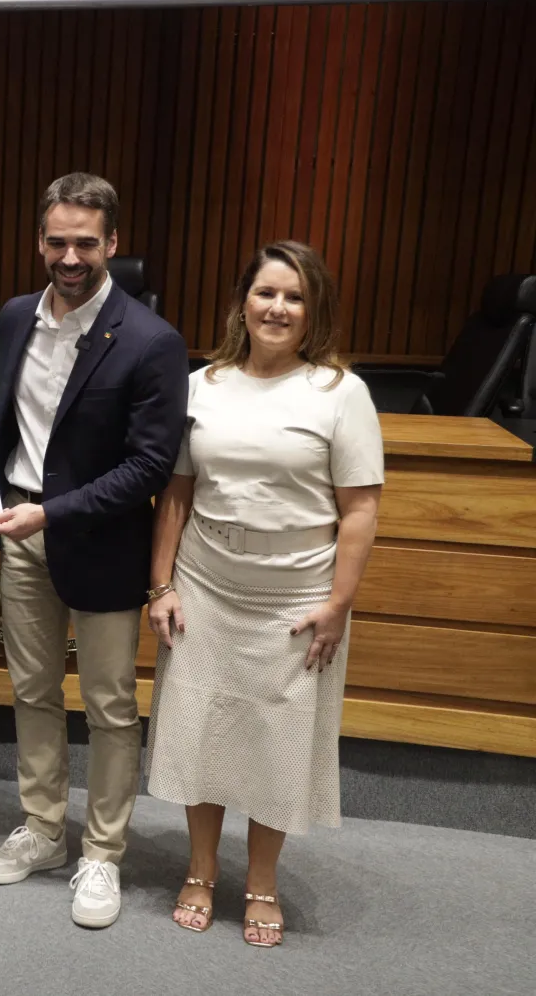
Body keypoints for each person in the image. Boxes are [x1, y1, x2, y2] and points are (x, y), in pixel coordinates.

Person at [146, 241, 383, 947]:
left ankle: (261, 882)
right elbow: (177, 491)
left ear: (315, 313)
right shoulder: (204, 384)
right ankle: (198, 870)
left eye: (295, 297)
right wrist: (161, 583)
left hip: (296, 599)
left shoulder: (341, 394)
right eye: (266, 293)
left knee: (276, 741)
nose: (278, 308)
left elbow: (361, 511)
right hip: (207, 585)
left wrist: (338, 605)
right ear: (243, 302)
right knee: (201, 728)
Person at [0, 173, 188, 928]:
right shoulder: (10, 319)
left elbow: (149, 467)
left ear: (114, 244)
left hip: (98, 543)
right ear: (40, 241)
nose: (70, 256)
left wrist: (52, 513)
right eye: (57, 241)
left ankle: (102, 853)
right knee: (32, 692)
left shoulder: (151, 340)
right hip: (20, 536)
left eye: (86, 243)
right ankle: (42, 830)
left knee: (108, 706)